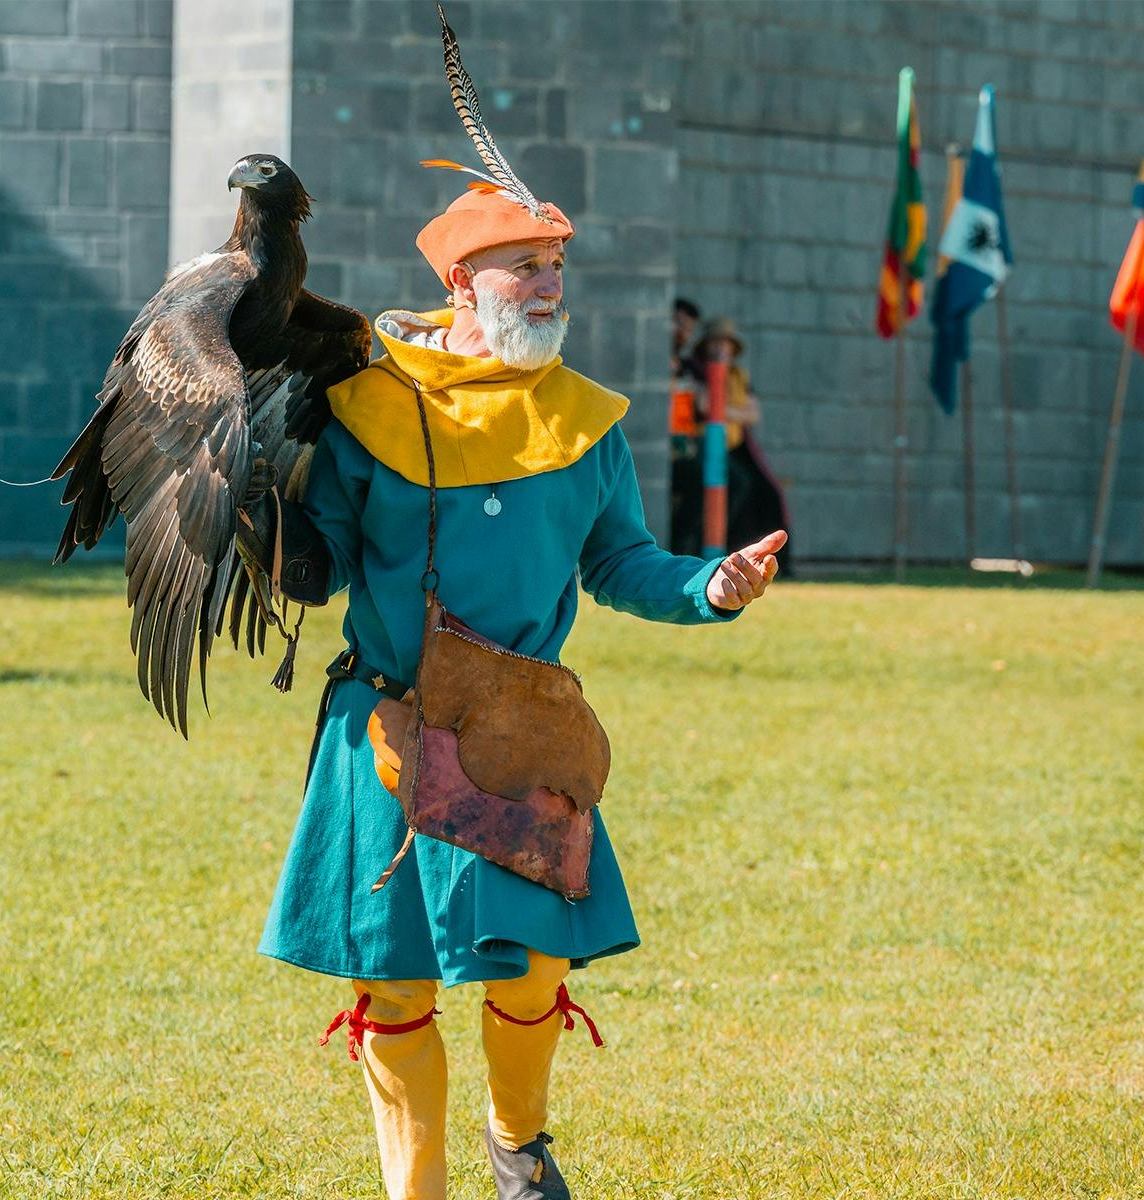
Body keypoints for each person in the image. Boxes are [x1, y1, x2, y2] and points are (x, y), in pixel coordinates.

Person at [241, 122, 787, 1200]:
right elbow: (323, 562)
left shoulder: (582, 424)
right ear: (460, 281)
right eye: (525, 269)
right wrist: (266, 523)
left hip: (521, 731)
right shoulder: (365, 409)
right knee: (392, 989)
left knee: (531, 964)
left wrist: (710, 587)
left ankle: (516, 1141)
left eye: (556, 269)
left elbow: (621, 560)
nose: (549, 287)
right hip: (388, 729)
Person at [688, 317, 793, 575]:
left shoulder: (738, 375)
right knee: (733, 484)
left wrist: (723, 410)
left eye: (726, 344)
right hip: (703, 446)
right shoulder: (695, 370)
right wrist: (731, 410)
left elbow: (753, 413)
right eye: (716, 343)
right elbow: (703, 405)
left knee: (767, 492)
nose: (721, 349)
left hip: (735, 445)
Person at [668, 297, 705, 557]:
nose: (683, 332)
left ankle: (687, 548)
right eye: (679, 324)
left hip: (685, 446)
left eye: (688, 328)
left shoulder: (688, 366)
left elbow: (706, 404)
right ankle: (680, 548)